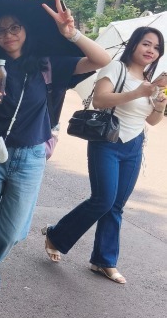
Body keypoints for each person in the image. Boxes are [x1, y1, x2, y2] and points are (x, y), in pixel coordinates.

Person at [0, 0, 111, 318]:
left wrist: (71, 33)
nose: (8, 34)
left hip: (30, 157)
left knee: (13, 231)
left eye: (14, 27)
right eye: (1, 30)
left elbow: (101, 59)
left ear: (25, 30)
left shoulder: (49, 65)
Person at [42, 27, 166, 284]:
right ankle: (57, 235)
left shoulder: (150, 81)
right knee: (103, 200)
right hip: (107, 142)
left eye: (156, 48)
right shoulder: (116, 68)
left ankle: (104, 261)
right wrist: (138, 92)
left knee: (116, 205)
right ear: (134, 44)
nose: (151, 50)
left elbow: (153, 121)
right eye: (146, 44)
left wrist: (159, 105)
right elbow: (100, 100)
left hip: (134, 146)